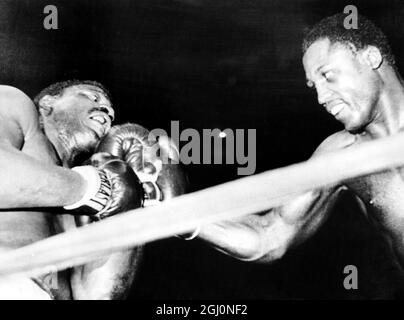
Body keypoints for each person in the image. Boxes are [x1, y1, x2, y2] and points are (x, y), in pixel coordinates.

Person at [191, 13, 404, 271]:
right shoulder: (342, 156)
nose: (321, 98)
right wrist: (174, 213)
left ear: (371, 57)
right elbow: (269, 237)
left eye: (327, 75)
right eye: (314, 86)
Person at [0, 79, 183, 299]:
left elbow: (95, 294)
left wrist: (130, 209)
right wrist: (96, 190)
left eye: (111, 114)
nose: (106, 111)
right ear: (49, 103)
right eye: (92, 97)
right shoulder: (14, 102)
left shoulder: (86, 199)